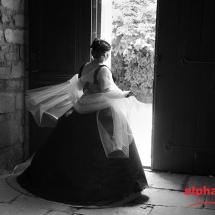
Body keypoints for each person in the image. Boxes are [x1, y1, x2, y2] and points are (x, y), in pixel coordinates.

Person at [16, 38, 148, 207]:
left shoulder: (85, 66)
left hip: (81, 108)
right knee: (112, 144)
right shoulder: (103, 70)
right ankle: (120, 187)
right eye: (108, 53)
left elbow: (78, 87)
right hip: (101, 110)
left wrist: (86, 97)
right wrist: (124, 94)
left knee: (69, 145)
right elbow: (108, 91)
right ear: (105, 54)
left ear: (93, 53)